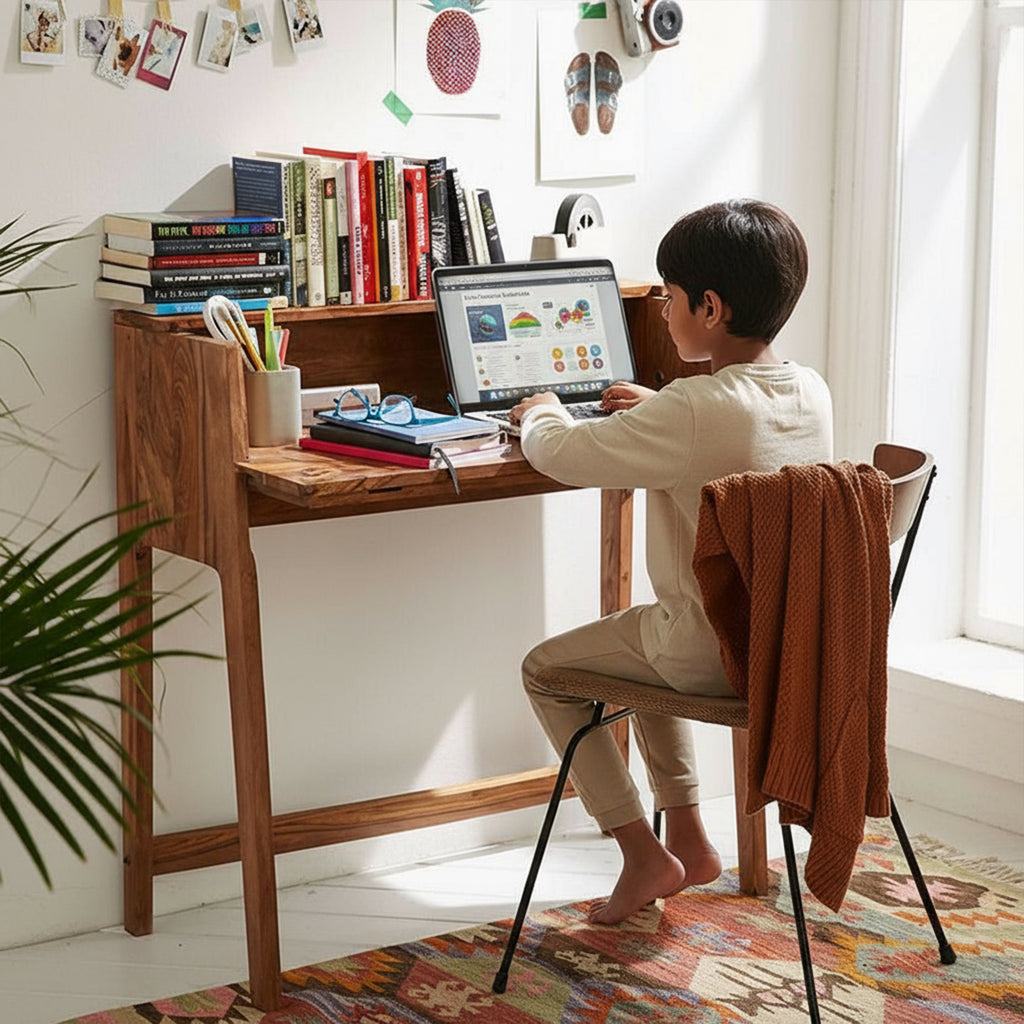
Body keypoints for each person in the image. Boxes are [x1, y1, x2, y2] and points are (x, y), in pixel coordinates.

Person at [509, 199, 834, 925]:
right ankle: (688, 837)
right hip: (787, 650)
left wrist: (541, 411)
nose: (660, 309)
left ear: (709, 308)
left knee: (545, 672)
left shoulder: (690, 411)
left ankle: (641, 851)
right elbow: (726, 431)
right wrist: (659, 409)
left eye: (669, 295)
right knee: (645, 635)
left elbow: (562, 454)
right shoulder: (808, 390)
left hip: (711, 654)